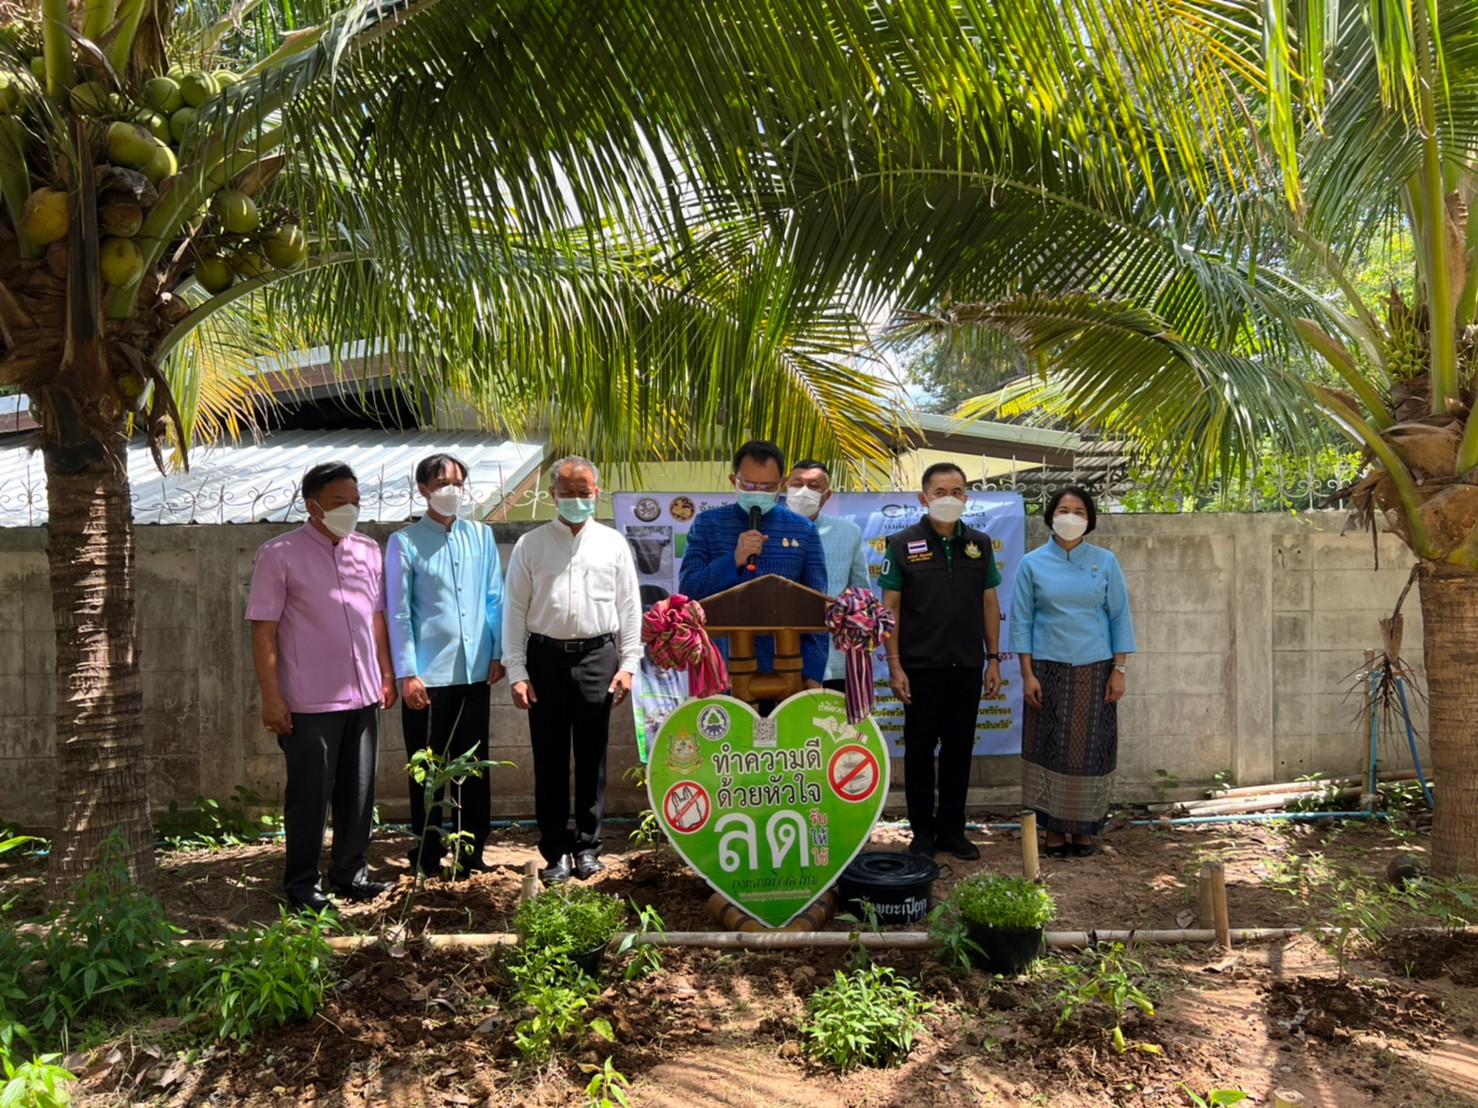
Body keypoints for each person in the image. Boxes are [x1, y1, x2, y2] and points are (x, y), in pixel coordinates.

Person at [247, 461, 397, 912]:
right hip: (309, 700)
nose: (350, 510)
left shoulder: (368, 550)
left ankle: (350, 871)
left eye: (355, 502)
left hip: (364, 693)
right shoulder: (279, 554)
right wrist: (272, 698)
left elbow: (376, 618)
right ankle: (302, 885)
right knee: (310, 797)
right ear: (312, 505)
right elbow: (263, 631)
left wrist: (386, 674)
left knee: (359, 792)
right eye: (338, 502)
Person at [502, 457, 643, 884]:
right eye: (568, 493)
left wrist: (629, 664)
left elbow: (629, 607)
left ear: (596, 493)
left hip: (599, 657)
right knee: (549, 758)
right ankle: (555, 851)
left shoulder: (613, 544)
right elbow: (514, 611)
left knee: (592, 756)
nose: (577, 500)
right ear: (553, 495)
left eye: (584, 493)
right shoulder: (530, 545)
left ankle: (588, 847)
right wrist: (517, 671)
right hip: (545, 659)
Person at [386, 453, 505, 878]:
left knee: (473, 765)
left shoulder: (481, 536)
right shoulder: (404, 542)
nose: (451, 490)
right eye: (441, 484)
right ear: (423, 490)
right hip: (427, 678)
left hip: (475, 672)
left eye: (457, 482)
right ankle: (428, 852)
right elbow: (398, 611)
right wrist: (407, 673)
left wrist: (497, 653)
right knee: (427, 767)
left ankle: (472, 850)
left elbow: (494, 598)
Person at [879, 462, 1002, 861]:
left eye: (957, 491)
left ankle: (952, 830)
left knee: (959, 751)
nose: (949, 498)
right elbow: (890, 607)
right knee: (919, 752)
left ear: (966, 497)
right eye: (940, 492)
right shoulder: (901, 544)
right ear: (923, 498)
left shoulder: (980, 544)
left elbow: (989, 603)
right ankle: (923, 834)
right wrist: (894, 664)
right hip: (919, 668)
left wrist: (994, 659)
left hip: (966, 666)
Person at [1010, 486, 1135, 858]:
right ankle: (1052, 829)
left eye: (1079, 511)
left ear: (1089, 519)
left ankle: (1083, 829)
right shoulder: (1031, 563)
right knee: (1047, 749)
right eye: (1063, 510)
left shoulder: (1105, 561)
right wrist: (1027, 674)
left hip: (1095, 670)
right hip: (1045, 670)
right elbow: (1021, 621)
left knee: (1089, 751)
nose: (1070, 517)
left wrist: (1119, 669)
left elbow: (1119, 617)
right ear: (1051, 516)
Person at [678, 440, 829, 697]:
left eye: (767, 486)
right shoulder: (707, 524)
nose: (757, 492)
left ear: (782, 484)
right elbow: (689, 590)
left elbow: (818, 606)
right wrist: (733, 560)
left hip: (789, 673)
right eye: (748, 485)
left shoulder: (803, 530)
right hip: (721, 673)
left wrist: (813, 673)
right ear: (733, 481)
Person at [784, 459, 869, 691]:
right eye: (797, 484)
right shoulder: (764, 530)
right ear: (785, 486)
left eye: (813, 486)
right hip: (776, 658)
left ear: (827, 495)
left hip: (833, 660)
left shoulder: (848, 532)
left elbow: (861, 595)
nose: (803, 491)